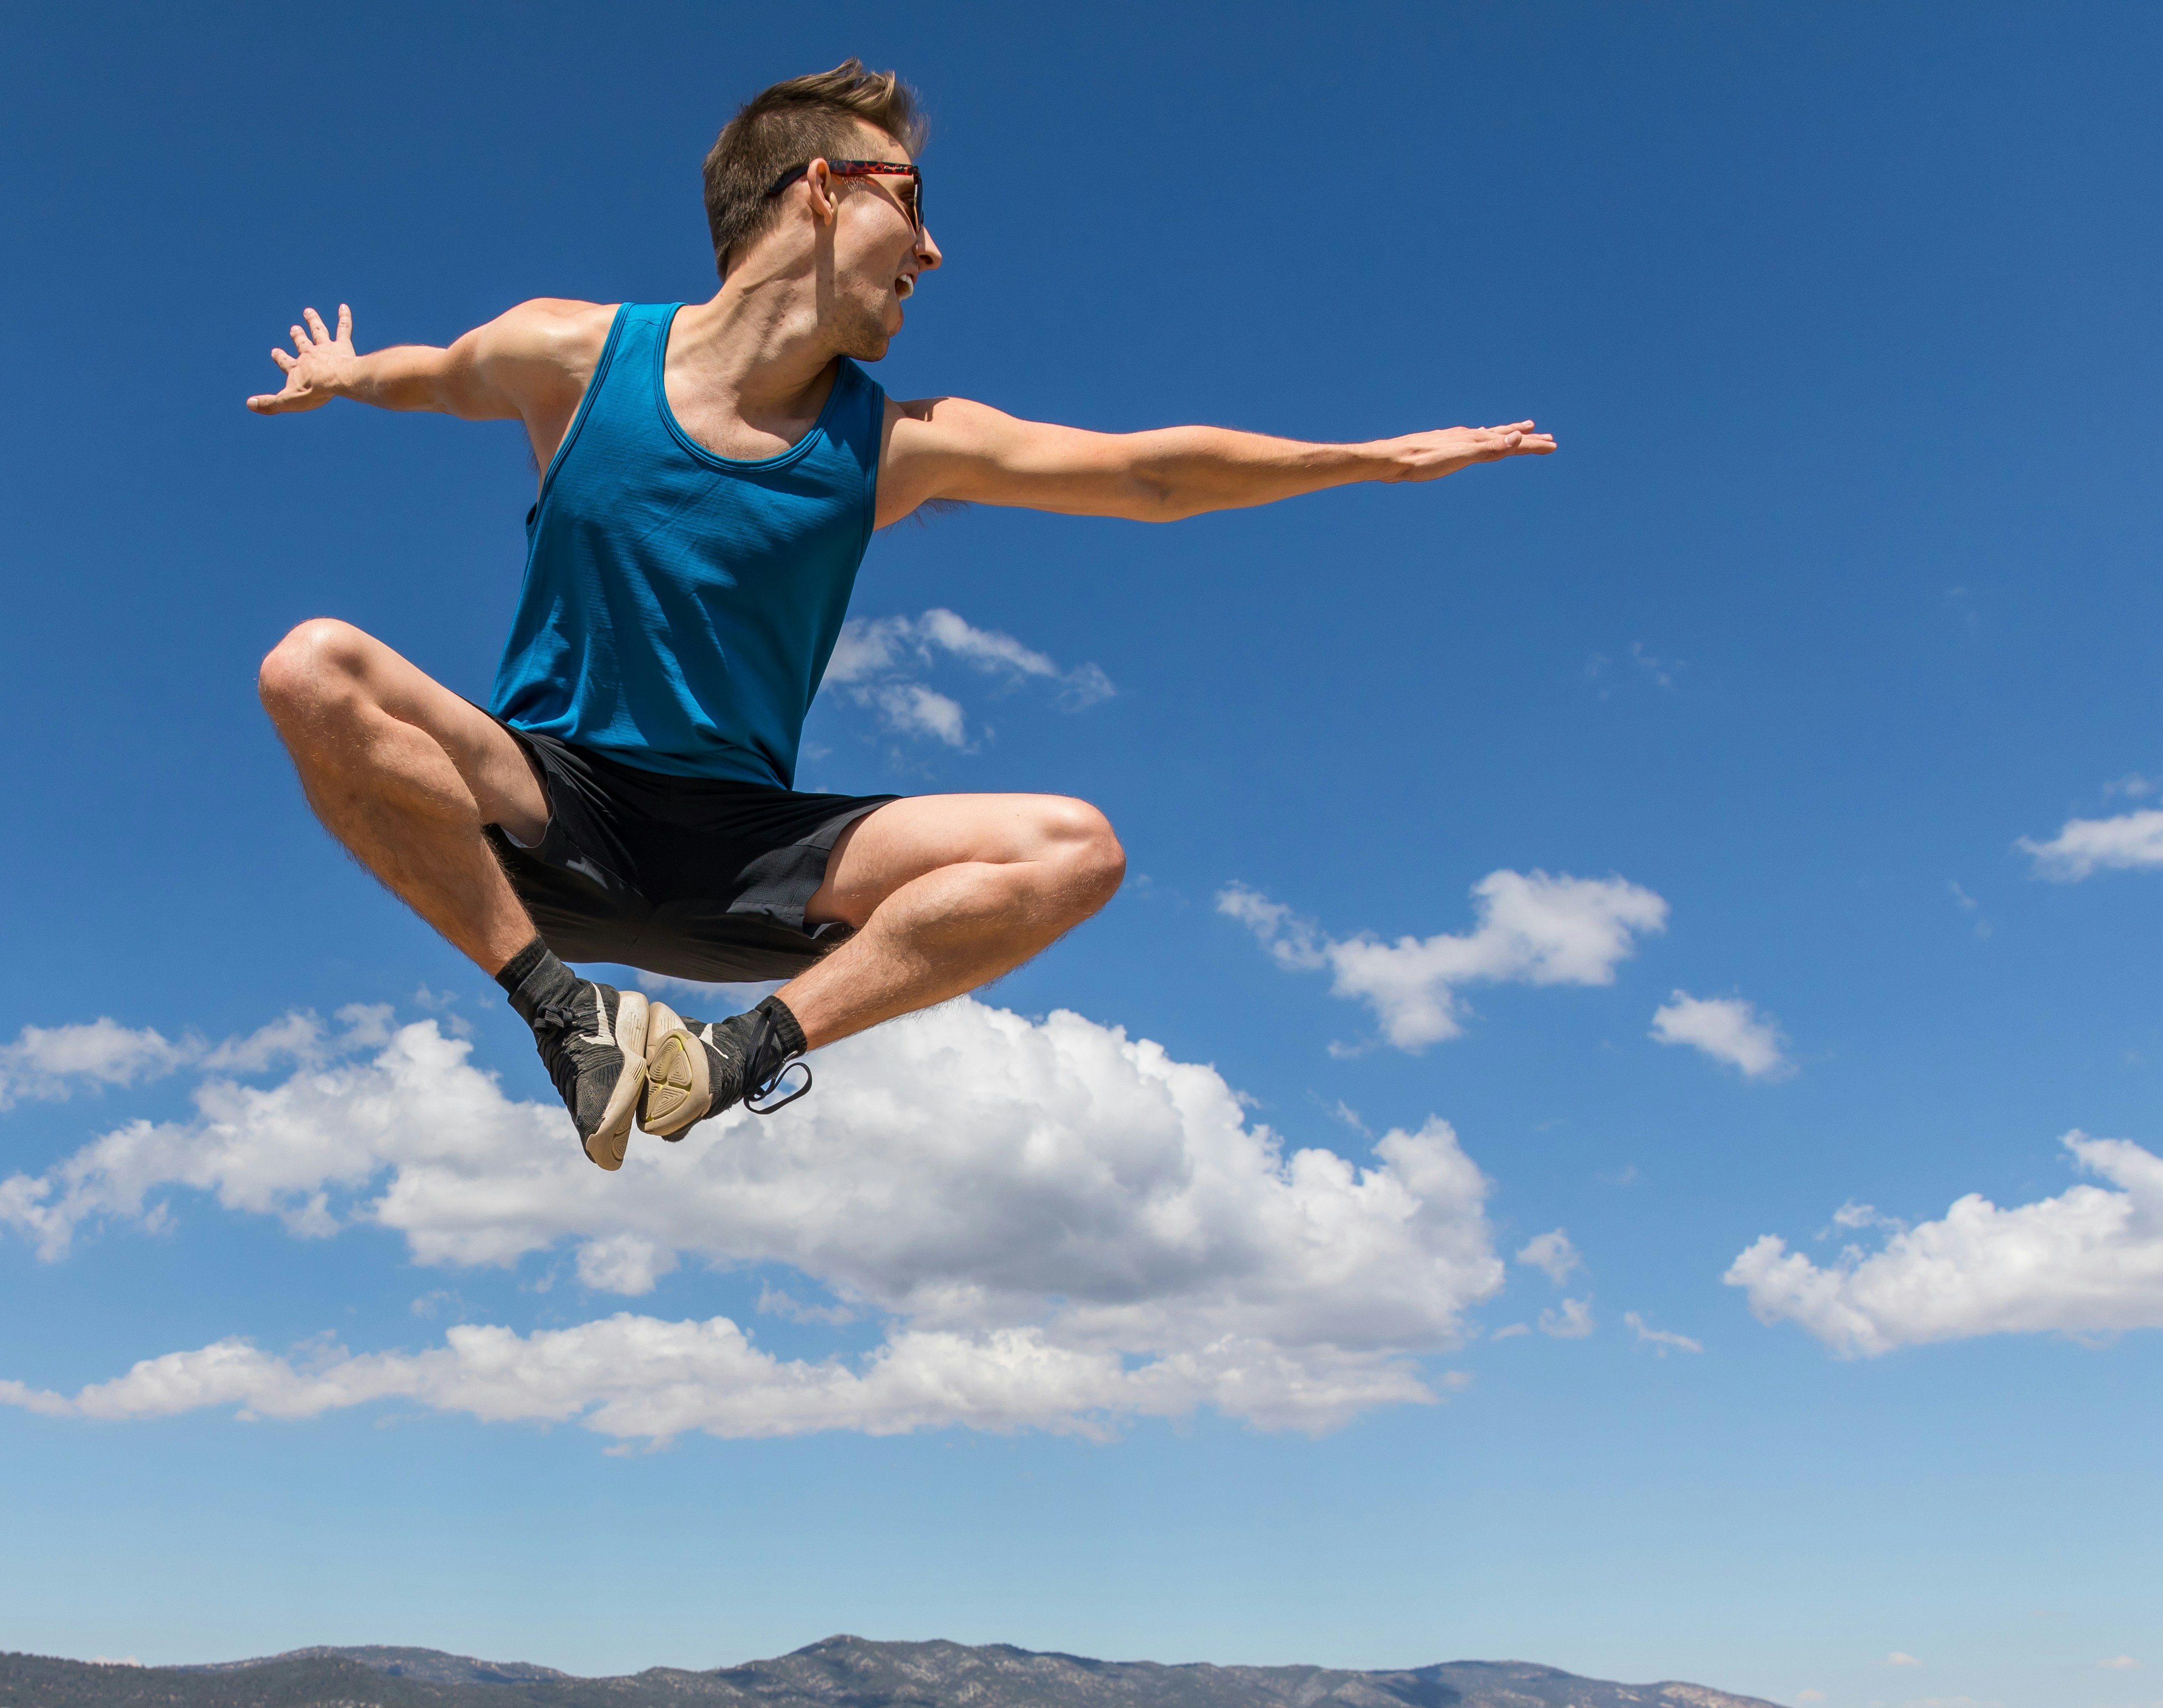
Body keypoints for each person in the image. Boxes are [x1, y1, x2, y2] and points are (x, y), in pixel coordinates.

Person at [250, 61, 1552, 1170]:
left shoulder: (896, 446)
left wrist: (1374, 459)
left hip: (745, 859)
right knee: (313, 668)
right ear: (821, 187)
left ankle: (727, 1058)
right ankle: (562, 1016)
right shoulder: (574, 354)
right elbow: (431, 374)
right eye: (912, 206)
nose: (933, 252)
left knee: (1071, 847)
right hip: (544, 816)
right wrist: (341, 373)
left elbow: (1148, 472)